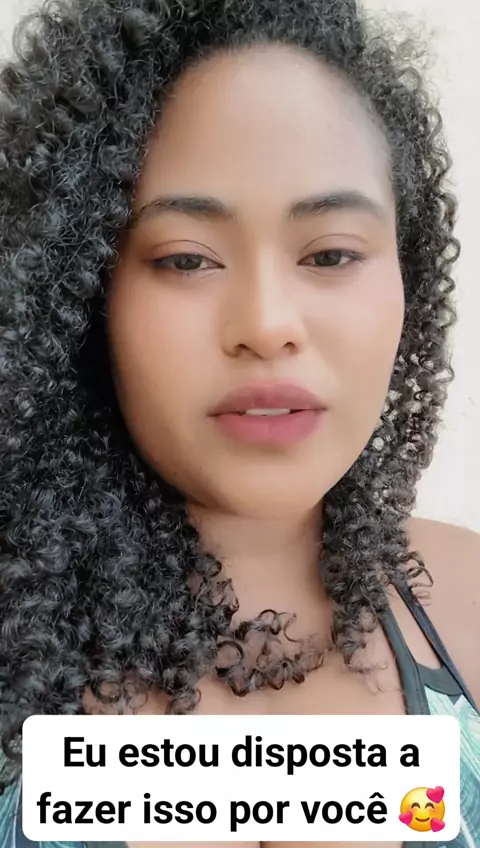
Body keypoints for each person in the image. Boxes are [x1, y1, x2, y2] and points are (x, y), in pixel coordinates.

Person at [0, 0, 479, 846]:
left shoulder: (470, 600)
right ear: (82, 290)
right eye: (186, 259)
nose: (266, 323)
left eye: (331, 254)